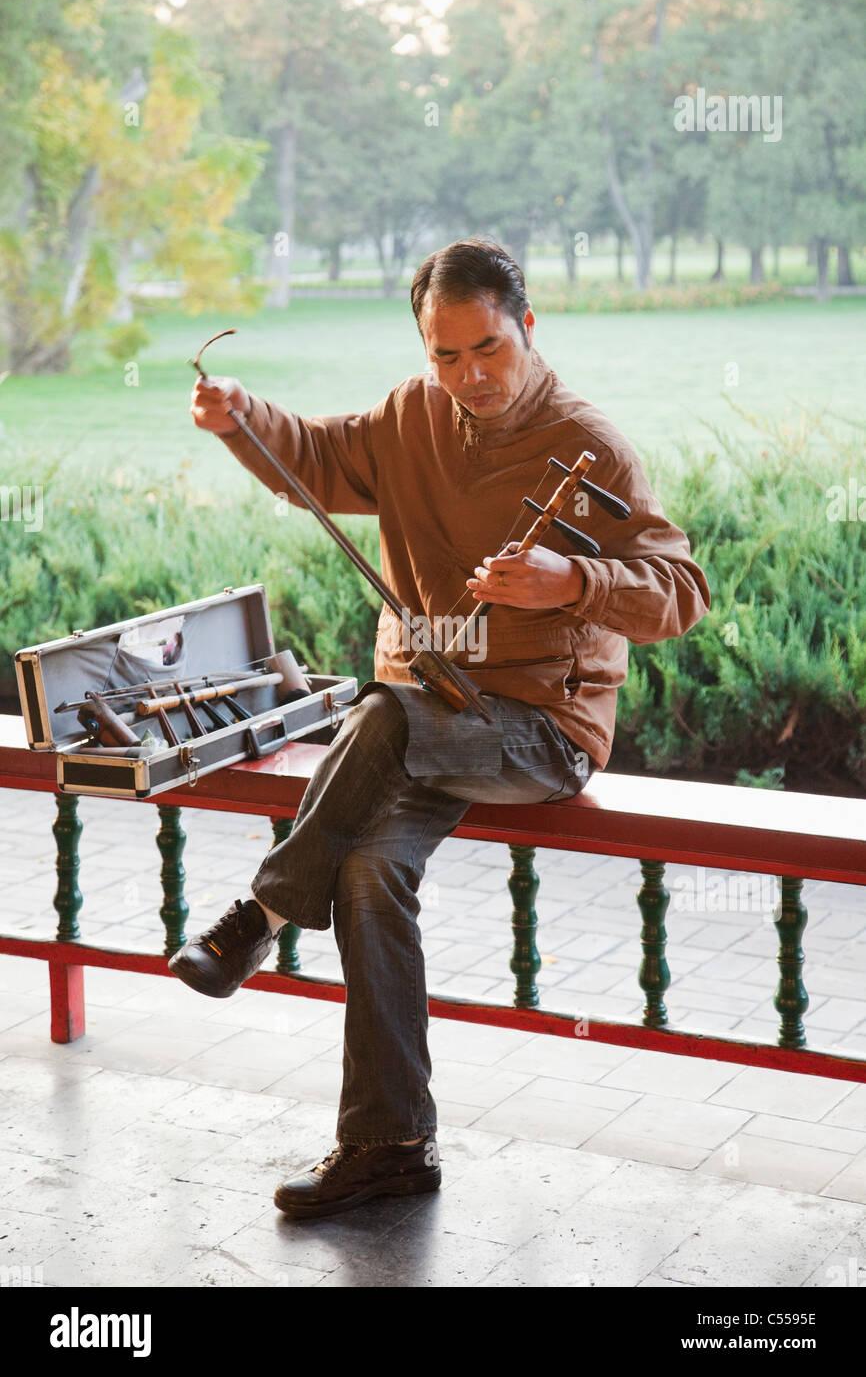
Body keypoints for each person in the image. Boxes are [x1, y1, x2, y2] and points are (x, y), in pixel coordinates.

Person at [170, 236, 711, 1219]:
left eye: (487, 351)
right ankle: (388, 1146)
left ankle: (261, 915)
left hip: (536, 732)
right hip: (427, 724)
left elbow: (681, 592)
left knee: (376, 705)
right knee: (371, 870)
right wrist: (239, 417)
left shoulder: (588, 445)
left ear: (526, 328)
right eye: (444, 356)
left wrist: (573, 579)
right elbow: (315, 458)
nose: (467, 377)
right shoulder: (409, 416)